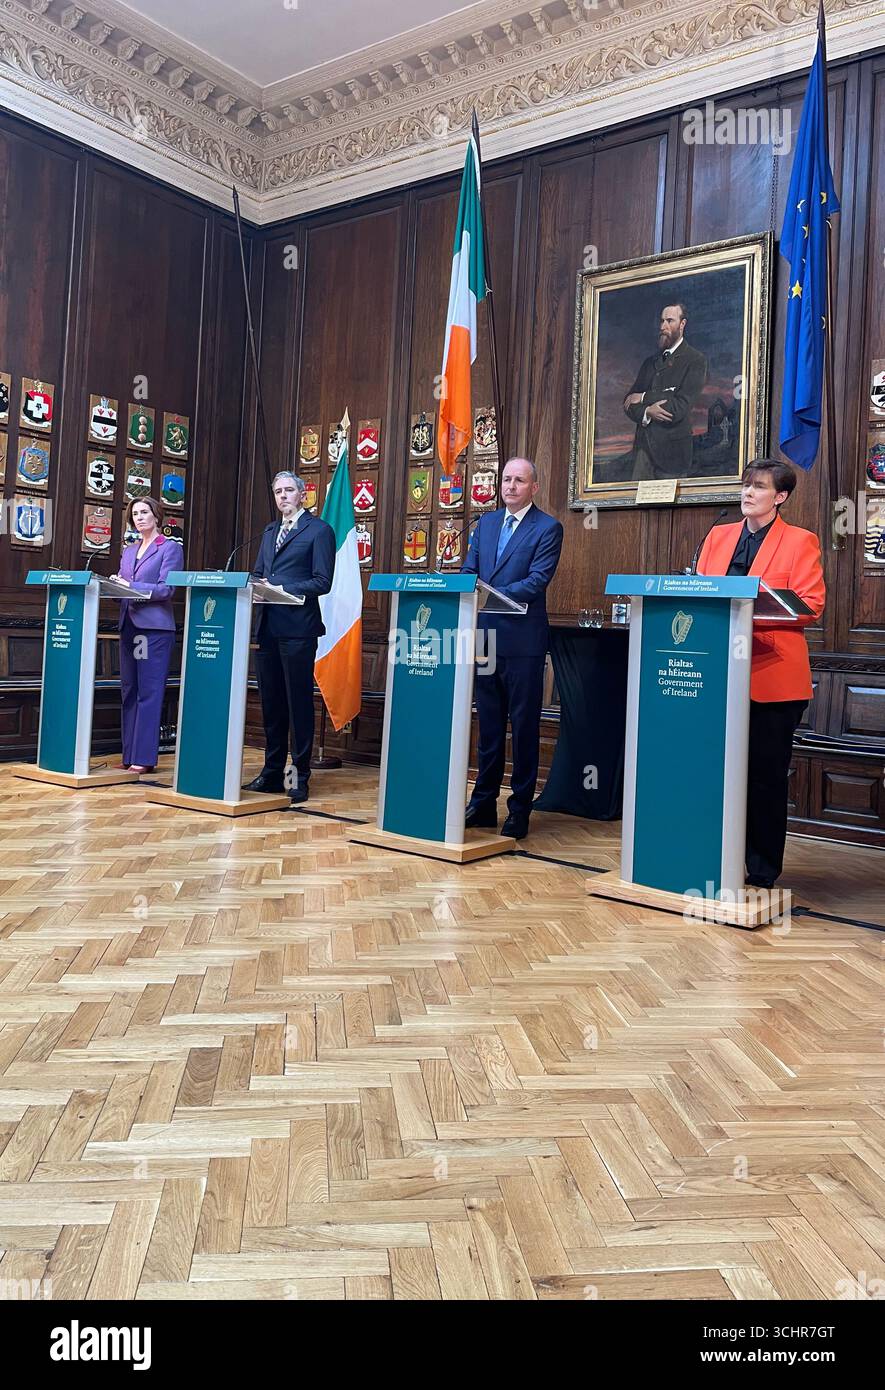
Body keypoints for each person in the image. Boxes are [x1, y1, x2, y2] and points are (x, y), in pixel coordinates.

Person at [697, 458, 826, 888]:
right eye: (746, 486)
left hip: (772, 678)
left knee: (765, 777)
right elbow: (701, 590)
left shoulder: (800, 541)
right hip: (719, 675)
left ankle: (761, 867)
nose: (748, 493)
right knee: (717, 769)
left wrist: (754, 610)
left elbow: (810, 604)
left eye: (759, 487)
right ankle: (717, 853)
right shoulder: (718, 535)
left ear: (781, 497)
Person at [461, 457, 563, 840]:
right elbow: (469, 570)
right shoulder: (485, 524)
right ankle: (483, 803)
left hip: (522, 643)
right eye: (506, 480)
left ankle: (519, 808)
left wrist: (491, 594)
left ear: (533, 487)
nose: (511, 486)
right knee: (488, 728)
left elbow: (537, 580)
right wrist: (466, 586)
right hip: (485, 639)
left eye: (519, 481)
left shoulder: (548, 528)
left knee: (522, 728)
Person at [244, 471, 335, 804]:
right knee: (272, 704)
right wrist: (257, 587)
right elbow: (257, 573)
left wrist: (283, 590)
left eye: (288, 491)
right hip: (267, 628)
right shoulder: (270, 531)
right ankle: (271, 774)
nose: (283, 497)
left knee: (297, 705)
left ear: (302, 494)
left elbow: (322, 581)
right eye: (278, 492)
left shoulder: (319, 531)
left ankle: (298, 775)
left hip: (298, 629)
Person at [112, 497, 183, 774]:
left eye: (145, 512)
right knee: (129, 690)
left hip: (153, 629)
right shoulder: (129, 551)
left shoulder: (170, 549)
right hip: (128, 625)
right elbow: (124, 585)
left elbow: (167, 590)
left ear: (157, 516)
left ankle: (144, 757)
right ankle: (129, 754)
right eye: (135, 514)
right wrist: (117, 587)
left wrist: (131, 586)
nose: (140, 517)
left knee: (149, 693)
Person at [622, 303, 707, 480]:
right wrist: (647, 411)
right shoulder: (649, 362)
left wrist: (644, 397)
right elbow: (629, 402)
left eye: (669, 320)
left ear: (682, 324)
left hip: (673, 457)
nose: (663, 327)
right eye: (662, 321)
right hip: (642, 454)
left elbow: (679, 407)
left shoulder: (696, 360)